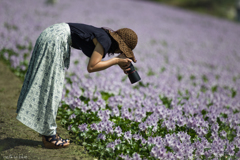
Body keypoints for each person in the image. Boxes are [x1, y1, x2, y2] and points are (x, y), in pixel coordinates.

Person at [15, 22, 138, 149]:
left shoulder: (104, 36)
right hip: (56, 39)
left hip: (52, 34)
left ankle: (48, 133)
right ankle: (49, 136)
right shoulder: (105, 41)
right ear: (120, 45)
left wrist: (118, 62)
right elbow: (92, 66)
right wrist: (116, 60)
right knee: (52, 88)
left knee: (46, 83)